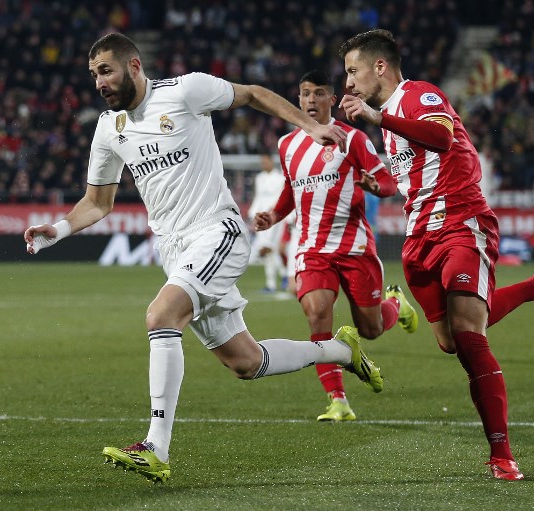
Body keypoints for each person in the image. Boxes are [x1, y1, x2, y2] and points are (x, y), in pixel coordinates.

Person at [24, 32, 385, 483]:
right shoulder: (109, 129)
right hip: (174, 251)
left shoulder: (184, 91)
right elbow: (98, 202)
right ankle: (338, 349)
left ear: (134, 66)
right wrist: (56, 230)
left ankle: (155, 446)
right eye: (94, 74)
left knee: (160, 316)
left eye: (106, 71)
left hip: (218, 231)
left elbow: (252, 94)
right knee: (246, 362)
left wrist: (308, 126)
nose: (99, 82)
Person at [338, 29, 534, 480]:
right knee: (448, 339)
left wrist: (377, 118)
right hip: (419, 240)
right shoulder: (389, 118)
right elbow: (409, 176)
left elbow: (440, 138)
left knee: (469, 337)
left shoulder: (419, 96)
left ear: (380, 66)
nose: (347, 83)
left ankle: (502, 455)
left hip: (461, 224)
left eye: (352, 71)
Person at [254, 69, 418, 422]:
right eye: (304, 93)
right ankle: (338, 400)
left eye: (318, 93)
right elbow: (290, 193)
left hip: (354, 248)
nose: (310, 100)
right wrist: (273, 215)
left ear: (333, 99)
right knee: (317, 315)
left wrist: (375, 186)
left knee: (371, 329)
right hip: (312, 250)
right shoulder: (287, 145)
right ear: (297, 99)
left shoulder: (352, 139)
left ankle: (395, 304)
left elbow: (388, 181)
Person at [247, 153, 286, 292]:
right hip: (261, 218)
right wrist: (252, 212)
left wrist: (274, 211)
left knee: (267, 248)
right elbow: (258, 196)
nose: (263, 164)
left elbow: (282, 198)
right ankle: (283, 275)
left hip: (275, 217)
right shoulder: (259, 178)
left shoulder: (280, 178)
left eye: (265, 161)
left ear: (271, 161)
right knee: (270, 249)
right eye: (261, 162)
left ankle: (272, 284)